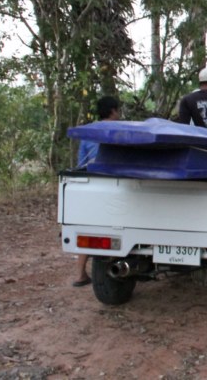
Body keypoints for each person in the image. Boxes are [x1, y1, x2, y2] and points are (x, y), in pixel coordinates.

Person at [73, 95, 120, 287]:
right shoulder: (120, 131)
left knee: (90, 228)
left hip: (91, 183)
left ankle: (80, 274)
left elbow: (81, 161)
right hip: (113, 184)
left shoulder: (88, 132)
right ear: (113, 111)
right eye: (117, 110)